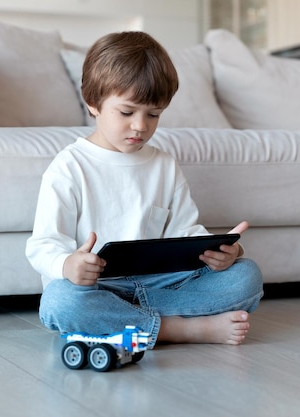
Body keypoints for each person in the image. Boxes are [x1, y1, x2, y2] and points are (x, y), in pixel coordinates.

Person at [26, 31, 263, 348]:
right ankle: (178, 330)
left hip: (160, 284)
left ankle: (123, 323)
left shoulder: (164, 165)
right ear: (93, 103)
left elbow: (184, 233)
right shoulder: (69, 167)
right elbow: (44, 244)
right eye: (127, 112)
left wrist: (222, 254)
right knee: (60, 302)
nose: (141, 126)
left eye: (153, 114)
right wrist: (67, 265)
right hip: (97, 288)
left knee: (245, 276)